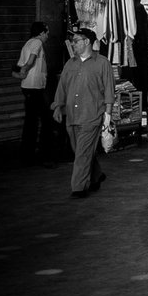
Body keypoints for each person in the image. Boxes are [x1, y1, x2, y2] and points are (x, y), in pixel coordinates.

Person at [52, 28, 114, 198]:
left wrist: (107, 116)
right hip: (72, 115)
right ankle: (96, 175)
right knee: (81, 150)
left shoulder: (102, 63)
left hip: (92, 115)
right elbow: (62, 87)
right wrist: (57, 106)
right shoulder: (70, 64)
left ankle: (79, 188)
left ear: (87, 42)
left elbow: (109, 90)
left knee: (82, 153)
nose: (73, 44)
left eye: (76, 41)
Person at [17, 21, 53, 166]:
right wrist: (26, 69)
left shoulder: (27, 43)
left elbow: (19, 65)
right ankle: (43, 154)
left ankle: (28, 154)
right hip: (34, 87)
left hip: (28, 87)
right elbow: (31, 61)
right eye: (47, 33)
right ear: (41, 33)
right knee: (45, 119)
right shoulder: (37, 43)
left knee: (31, 120)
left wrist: (21, 72)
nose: (48, 36)